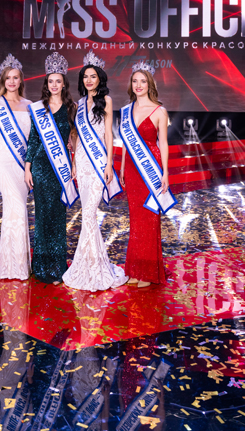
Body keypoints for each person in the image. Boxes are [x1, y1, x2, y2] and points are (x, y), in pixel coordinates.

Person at [63, 50, 128, 292]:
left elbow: (109, 134)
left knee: (90, 213)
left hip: (99, 161)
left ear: (100, 78)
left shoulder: (107, 101)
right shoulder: (79, 105)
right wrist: (73, 163)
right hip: (81, 161)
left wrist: (109, 163)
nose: (89, 80)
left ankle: (93, 267)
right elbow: (76, 137)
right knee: (86, 214)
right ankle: (90, 265)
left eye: (93, 76)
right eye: (85, 77)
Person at [119, 62, 176, 288]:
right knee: (135, 221)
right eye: (135, 81)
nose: (138, 85)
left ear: (150, 84)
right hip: (132, 170)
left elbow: (164, 143)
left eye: (143, 81)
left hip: (150, 169)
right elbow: (125, 142)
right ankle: (135, 270)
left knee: (150, 218)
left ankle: (149, 272)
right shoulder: (127, 110)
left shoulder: (159, 111)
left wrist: (165, 173)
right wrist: (122, 167)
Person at [25, 52, 77, 284]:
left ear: (64, 83)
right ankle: (41, 268)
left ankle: (57, 268)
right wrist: (27, 168)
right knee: (42, 217)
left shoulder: (71, 107)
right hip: (40, 167)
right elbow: (33, 140)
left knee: (58, 216)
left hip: (60, 168)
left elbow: (74, 137)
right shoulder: (38, 108)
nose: (54, 85)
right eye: (50, 81)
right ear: (46, 84)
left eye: (58, 81)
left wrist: (74, 163)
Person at [0, 53, 32, 280]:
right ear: (3, 81)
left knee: (17, 211)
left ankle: (18, 264)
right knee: (16, 209)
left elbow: (33, 140)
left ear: (21, 80)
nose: (11, 81)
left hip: (23, 165)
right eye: (8, 78)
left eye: (15, 77)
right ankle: (12, 266)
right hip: (3, 162)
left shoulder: (30, 105)